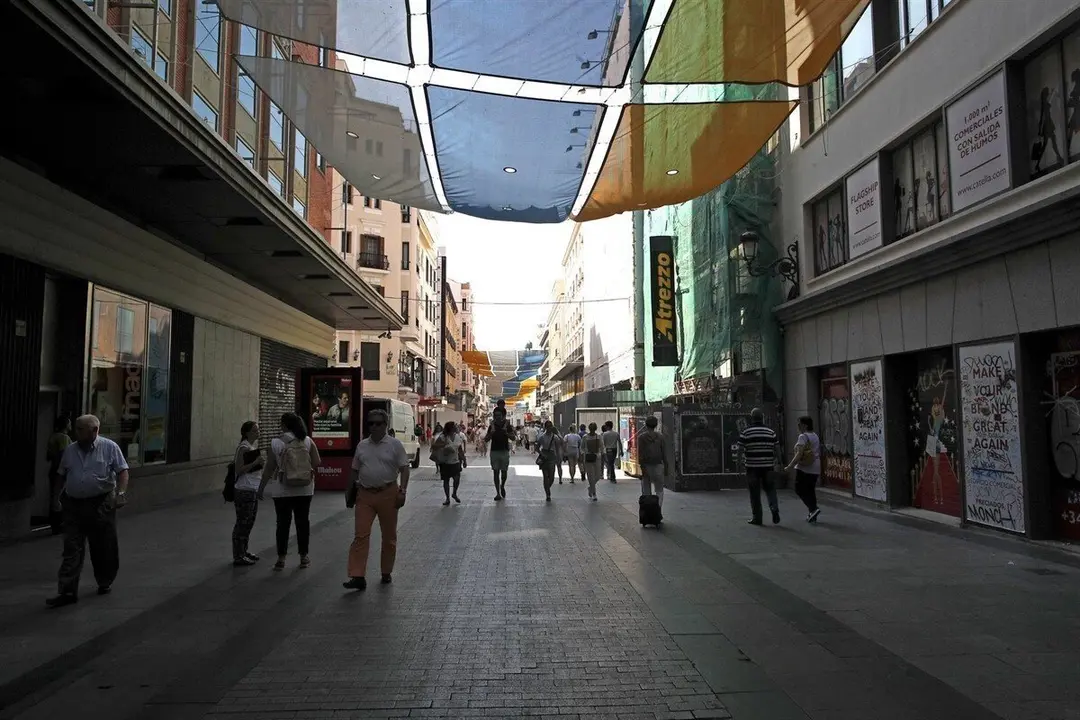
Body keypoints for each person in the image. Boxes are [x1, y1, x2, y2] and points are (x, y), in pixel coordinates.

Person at [46, 414, 129, 608]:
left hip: (101, 502)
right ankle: (67, 590)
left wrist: (121, 493)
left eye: (81, 430)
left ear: (95, 431)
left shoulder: (110, 447)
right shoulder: (70, 450)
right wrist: (56, 498)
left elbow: (123, 471)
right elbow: (61, 474)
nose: (77, 433)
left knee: (103, 545)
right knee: (72, 547)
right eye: (76, 428)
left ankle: (105, 580)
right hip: (73, 504)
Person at [344, 409, 410, 591]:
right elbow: (355, 470)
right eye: (371, 423)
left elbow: (404, 468)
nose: (374, 427)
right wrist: (349, 492)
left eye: (378, 423)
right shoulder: (362, 445)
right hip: (365, 494)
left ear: (385, 425)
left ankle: (386, 571)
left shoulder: (395, 445)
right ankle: (357, 575)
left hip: (388, 493)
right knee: (361, 535)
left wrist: (403, 491)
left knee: (388, 536)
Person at [258, 413, 321, 571]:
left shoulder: (275, 443)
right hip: (305, 489)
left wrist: (261, 487)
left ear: (284, 425)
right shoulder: (307, 440)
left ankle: (281, 559)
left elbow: (269, 468)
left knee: (282, 524)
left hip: (282, 489)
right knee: (302, 522)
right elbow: (317, 461)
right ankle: (304, 557)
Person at [737, 407, 781, 526]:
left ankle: (757, 518)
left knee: (754, 493)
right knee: (770, 489)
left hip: (752, 467)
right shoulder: (770, 432)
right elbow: (777, 448)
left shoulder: (746, 432)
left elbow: (740, 449)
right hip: (768, 466)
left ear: (751, 418)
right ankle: (774, 508)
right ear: (762, 418)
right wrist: (780, 463)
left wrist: (738, 464)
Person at [231, 421, 265, 566]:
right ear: (246, 433)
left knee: (249, 523)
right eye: (254, 430)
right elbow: (239, 469)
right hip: (244, 490)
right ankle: (238, 555)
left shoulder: (251, 447)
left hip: (252, 489)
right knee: (242, 523)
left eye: (258, 430)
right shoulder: (243, 448)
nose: (258, 432)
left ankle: (244, 551)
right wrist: (255, 462)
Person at [784, 416, 821, 522]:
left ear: (805, 425)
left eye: (799, 424)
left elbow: (799, 454)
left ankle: (813, 509)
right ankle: (812, 513)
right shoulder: (815, 436)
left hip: (804, 468)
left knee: (799, 489)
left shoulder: (803, 436)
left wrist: (790, 466)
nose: (798, 426)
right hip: (815, 466)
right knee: (810, 490)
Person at [46, 416, 73, 534]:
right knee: (61, 496)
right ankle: (60, 522)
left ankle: (54, 523)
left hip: (53, 469)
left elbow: (48, 456)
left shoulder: (53, 436)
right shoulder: (64, 438)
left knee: (54, 495)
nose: (71, 425)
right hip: (61, 471)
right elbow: (64, 454)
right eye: (69, 423)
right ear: (65, 425)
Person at [637, 416, 670, 508]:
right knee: (659, 489)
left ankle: (648, 510)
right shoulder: (661, 437)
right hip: (658, 466)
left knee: (646, 489)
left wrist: (642, 468)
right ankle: (658, 509)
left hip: (646, 466)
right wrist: (666, 467)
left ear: (646, 425)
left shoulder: (641, 437)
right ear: (656, 425)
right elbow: (664, 453)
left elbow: (640, 454)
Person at [432, 421, 467, 506]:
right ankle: (447, 498)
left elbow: (460, 450)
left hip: (455, 461)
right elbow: (434, 446)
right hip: (445, 461)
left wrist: (464, 460)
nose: (456, 427)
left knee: (457, 479)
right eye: (454, 426)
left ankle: (454, 493)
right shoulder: (443, 437)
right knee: (446, 480)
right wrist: (444, 445)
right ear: (450, 428)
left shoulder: (458, 437)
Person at [485, 408, 515, 500]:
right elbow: (486, 439)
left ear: (502, 416)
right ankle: (498, 493)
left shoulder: (507, 426)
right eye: (496, 415)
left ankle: (502, 486)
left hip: (504, 451)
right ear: (494, 416)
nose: (497, 417)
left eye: (499, 415)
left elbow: (513, 438)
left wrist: (506, 433)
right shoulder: (492, 426)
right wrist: (491, 433)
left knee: (504, 472)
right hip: (494, 451)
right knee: (496, 472)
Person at [535, 421, 561, 502]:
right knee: (545, 476)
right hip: (544, 456)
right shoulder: (542, 437)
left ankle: (547, 487)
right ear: (545, 427)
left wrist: (558, 457)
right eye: (548, 426)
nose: (549, 428)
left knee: (552, 477)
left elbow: (558, 448)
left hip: (552, 456)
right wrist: (541, 453)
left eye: (550, 426)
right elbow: (537, 448)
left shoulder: (555, 437)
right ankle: (548, 494)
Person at [582, 423, 604, 501]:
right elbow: (582, 447)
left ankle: (591, 487)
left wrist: (603, 454)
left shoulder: (599, 437)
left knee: (598, 475)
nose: (592, 430)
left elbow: (602, 446)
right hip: (588, 457)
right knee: (590, 476)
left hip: (597, 457)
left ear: (595, 429)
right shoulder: (585, 437)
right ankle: (594, 493)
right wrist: (583, 454)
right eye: (591, 428)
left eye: (593, 428)